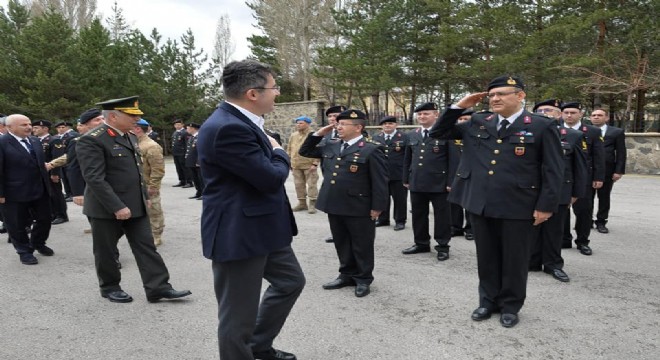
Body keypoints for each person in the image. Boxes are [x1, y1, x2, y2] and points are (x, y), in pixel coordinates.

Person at [430, 76, 563, 328]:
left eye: (501, 94)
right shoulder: (480, 120)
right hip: (481, 202)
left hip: (519, 203)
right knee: (487, 256)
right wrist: (460, 106)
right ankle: (487, 301)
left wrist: (545, 206)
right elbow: (439, 132)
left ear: (520, 95)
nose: (495, 99)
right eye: (491, 95)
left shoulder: (541, 126)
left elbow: (553, 170)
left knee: (515, 258)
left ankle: (511, 305)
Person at [197, 60, 305, 360]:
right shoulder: (227, 127)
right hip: (239, 233)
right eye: (274, 88)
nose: (278, 93)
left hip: (263, 229)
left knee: (290, 282)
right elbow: (270, 179)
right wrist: (280, 152)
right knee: (237, 316)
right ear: (253, 93)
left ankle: (258, 346)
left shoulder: (242, 121)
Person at [76, 96, 191, 304]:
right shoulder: (93, 139)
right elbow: (94, 178)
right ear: (113, 116)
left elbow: (136, 173)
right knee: (106, 251)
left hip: (135, 205)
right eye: (131, 116)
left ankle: (158, 287)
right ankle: (110, 287)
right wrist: (117, 206)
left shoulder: (128, 136)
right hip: (106, 208)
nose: (136, 120)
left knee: (146, 246)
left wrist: (144, 197)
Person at [299, 109, 388, 298]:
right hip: (334, 203)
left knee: (362, 244)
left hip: (359, 205)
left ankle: (363, 278)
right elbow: (305, 151)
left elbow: (380, 181)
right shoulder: (331, 144)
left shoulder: (371, 148)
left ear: (358, 127)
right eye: (337, 124)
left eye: (342, 124)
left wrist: (377, 207)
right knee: (342, 242)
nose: (338, 127)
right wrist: (318, 134)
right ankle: (346, 274)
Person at [529, 99, 588, 283]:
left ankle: (553, 264)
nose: (545, 113)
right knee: (531, 228)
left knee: (554, 230)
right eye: (541, 110)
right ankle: (532, 261)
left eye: (550, 110)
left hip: (559, 190)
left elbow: (579, 167)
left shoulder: (572, 136)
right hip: (529, 189)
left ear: (559, 114)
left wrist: (576, 193)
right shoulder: (525, 133)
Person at [0, 114, 54, 265]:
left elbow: (39, 165)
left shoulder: (35, 141)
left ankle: (37, 242)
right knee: (17, 224)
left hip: (39, 189)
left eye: (29, 124)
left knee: (45, 219)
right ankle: (24, 251)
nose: (29, 127)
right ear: (10, 127)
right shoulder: (2, 142)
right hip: (14, 192)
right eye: (23, 125)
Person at [402, 102, 452, 261]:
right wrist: (406, 178)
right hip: (417, 182)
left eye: (426, 114)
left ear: (436, 115)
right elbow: (407, 158)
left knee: (442, 216)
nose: (422, 117)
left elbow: (454, 160)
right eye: (420, 114)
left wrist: (451, 182)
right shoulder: (412, 134)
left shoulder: (446, 133)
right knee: (418, 214)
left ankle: (443, 246)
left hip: (440, 183)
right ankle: (421, 243)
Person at [561, 102, 605, 255]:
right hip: (563, 178)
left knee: (584, 211)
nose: (569, 115)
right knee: (562, 210)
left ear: (580, 114)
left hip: (584, 178)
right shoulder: (555, 130)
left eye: (573, 112)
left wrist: (599, 177)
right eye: (566, 112)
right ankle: (564, 238)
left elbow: (599, 156)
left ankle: (582, 241)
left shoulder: (592, 131)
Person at [589, 108, 626, 234]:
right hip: (588, 170)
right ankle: (587, 221)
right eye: (593, 115)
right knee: (587, 198)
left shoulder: (616, 132)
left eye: (600, 115)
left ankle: (601, 222)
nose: (596, 117)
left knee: (604, 197)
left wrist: (619, 171)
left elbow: (621, 153)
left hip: (607, 170)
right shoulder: (585, 130)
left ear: (606, 118)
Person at [372, 116, 409, 230]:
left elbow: (408, 156)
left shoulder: (404, 137)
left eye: (390, 123)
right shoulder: (376, 137)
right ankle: (383, 219)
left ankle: (400, 221)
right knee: (383, 197)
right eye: (385, 124)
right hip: (381, 173)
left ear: (396, 125)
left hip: (398, 173)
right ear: (381, 126)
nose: (387, 125)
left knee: (400, 199)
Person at [134, 119, 166, 246]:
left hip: (148, 184)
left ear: (138, 129)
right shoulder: (134, 143)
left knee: (154, 210)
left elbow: (158, 169)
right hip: (136, 184)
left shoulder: (151, 146)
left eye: (132, 127)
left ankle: (156, 235)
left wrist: (153, 186)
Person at [32, 120, 69, 225]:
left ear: (45, 129)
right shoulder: (35, 141)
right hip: (40, 173)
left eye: (36, 128)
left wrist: (55, 173)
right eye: (33, 128)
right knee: (46, 194)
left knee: (56, 194)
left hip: (51, 171)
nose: (33, 130)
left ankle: (61, 215)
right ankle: (52, 213)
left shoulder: (54, 140)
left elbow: (57, 158)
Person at [319, 105, 345, 243]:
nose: (332, 119)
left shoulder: (355, 134)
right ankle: (336, 233)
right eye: (330, 116)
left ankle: (347, 234)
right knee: (333, 208)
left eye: (336, 116)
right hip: (329, 177)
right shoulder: (326, 135)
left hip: (346, 178)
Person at [448, 109, 474, 240]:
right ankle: (455, 227)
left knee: (470, 202)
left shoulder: (476, 134)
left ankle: (470, 229)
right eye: (461, 119)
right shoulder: (453, 135)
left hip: (472, 174)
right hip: (455, 173)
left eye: (466, 119)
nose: (463, 122)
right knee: (455, 202)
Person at [286, 115, 320, 214]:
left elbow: (318, 150)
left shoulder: (313, 135)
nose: (298, 125)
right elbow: (289, 148)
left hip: (309, 165)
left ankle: (312, 203)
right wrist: (288, 161)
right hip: (296, 164)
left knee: (311, 185)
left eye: (301, 123)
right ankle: (302, 203)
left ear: (308, 124)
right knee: (298, 185)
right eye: (297, 123)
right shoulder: (293, 135)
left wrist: (315, 163)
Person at [53, 121, 79, 201]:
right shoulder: (58, 136)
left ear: (68, 127)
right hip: (62, 160)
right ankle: (68, 193)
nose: (60, 129)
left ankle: (73, 193)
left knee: (71, 176)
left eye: (62, 127)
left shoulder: (73, 135)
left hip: (70, 159)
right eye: (58, 128)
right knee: (64, 177)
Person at [184, 122, 204, 199]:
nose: (187, 130)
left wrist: (199, 161)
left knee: (200, 178)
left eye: (188, 128)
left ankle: (204, 193)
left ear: (193, 128)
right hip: (191, 161)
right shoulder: (191, 137)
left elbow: (201, 150)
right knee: (195, 178)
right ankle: (198, 192)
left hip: (197, 162)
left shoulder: (200, 137)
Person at [171, 119, 192, 188]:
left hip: (182, 153)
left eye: (179, 124)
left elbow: (187, 144)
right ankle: (182, 180)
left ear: (182, 125)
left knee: (185, 168)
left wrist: (187, 153)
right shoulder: (175, 133)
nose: (177, 126)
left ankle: (189, 181)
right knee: (178, 168)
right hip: (176, 153)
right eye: (176, 125)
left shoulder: (185, 132)